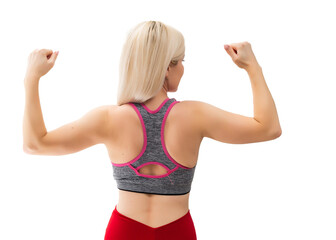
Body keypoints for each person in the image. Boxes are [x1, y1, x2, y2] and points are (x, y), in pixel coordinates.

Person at [23, 20, 282, 240]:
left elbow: (35, 144)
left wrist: (32, 78)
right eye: (181, 61)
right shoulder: (195, 116)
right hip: (177, 231)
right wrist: (252, 68)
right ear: (167, 67)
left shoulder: (109, 119)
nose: (183, 68)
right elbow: (268, 128)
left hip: (123, 231)